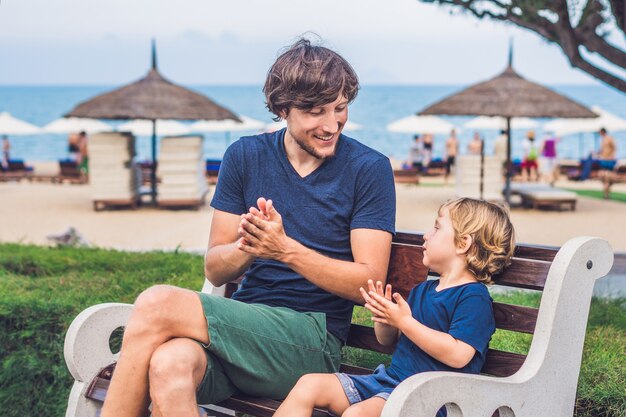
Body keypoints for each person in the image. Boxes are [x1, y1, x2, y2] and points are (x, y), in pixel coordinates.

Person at [100, 38, 396, 417]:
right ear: (282, 109)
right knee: (169, 363)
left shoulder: (367, 169)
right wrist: (250, 247)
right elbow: (215, 267)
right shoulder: (244, 156)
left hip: (310, 341)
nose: (331, 124)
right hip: (240, 333)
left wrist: (285, 249)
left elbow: (367, 283)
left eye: (340, 109)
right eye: (316, 112)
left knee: (158, 303)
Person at [274, 197, 515, 417]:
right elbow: (388, 340)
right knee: (309, 385)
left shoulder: (473, 298)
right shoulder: (424, 290)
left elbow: (458, 355)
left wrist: (405, 322)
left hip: (432, 401)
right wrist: (385, 319)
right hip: (389, 382)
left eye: (437, 227)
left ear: (462, 243)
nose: (426, 235)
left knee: (357, 415)